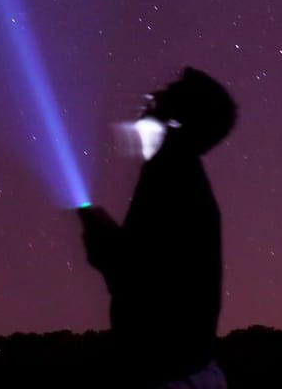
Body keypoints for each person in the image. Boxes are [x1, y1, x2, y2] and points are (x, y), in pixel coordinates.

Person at [78, 67, 236, 389]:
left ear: (178, 120)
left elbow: (135, 276)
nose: (151, 97)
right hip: (185, 371)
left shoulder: (172, 176)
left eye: (166, 95)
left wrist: (103, 240)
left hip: (172, 376)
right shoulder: (177, 174)